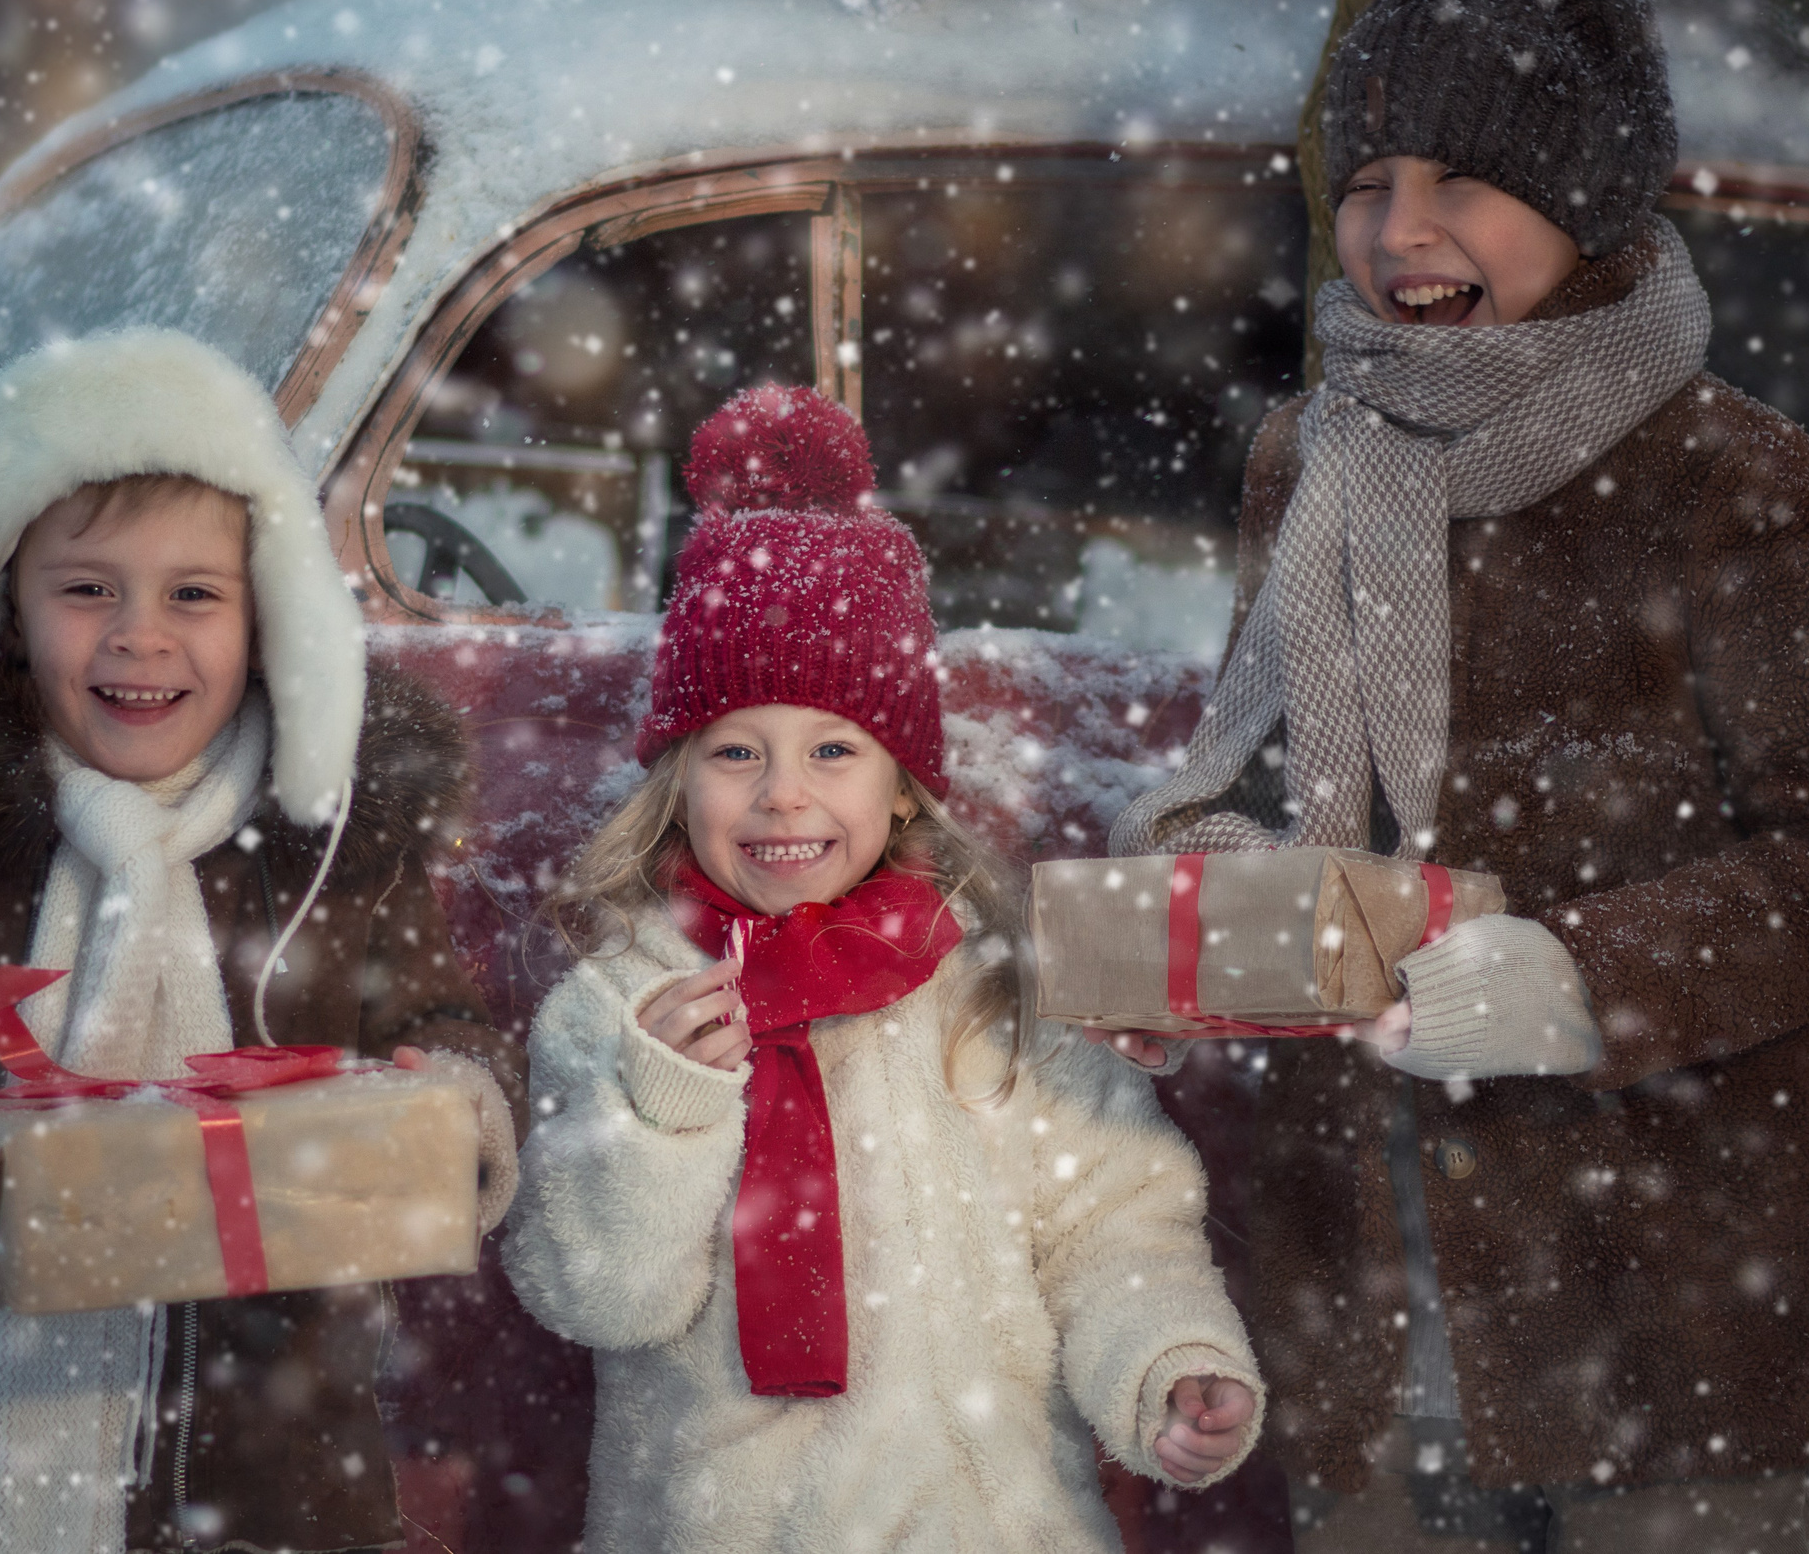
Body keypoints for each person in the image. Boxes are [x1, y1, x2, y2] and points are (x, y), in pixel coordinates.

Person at [1107, 0, 1809, 1554]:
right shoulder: (1317, 453)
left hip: (1672, 1333)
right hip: (1370, 1309)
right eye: (1367, 182)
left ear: (1581, 203)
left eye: (1460, 182)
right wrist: (1194, 907)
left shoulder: (1731, 478)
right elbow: (1269, 778)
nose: (1400, 229)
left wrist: (1582, 973)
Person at [0, 328, 525, 1554]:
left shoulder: (329, 834)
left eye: (194, 593)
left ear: (266, 616)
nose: (140, 634)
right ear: (11, 610)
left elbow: (441, 1026)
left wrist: (443, 1104)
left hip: (272, 1469)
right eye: (88, 589)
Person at [504, 384, 1262, 1551]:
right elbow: (597, 1293)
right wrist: (665, 1116)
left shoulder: (984, 992)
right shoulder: (621, 1006)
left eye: (833, 749)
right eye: (734, 751)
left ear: (902, 781)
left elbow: (1112, 1223)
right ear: (676, 781)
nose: (782, 793)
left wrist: (1167, 1360)